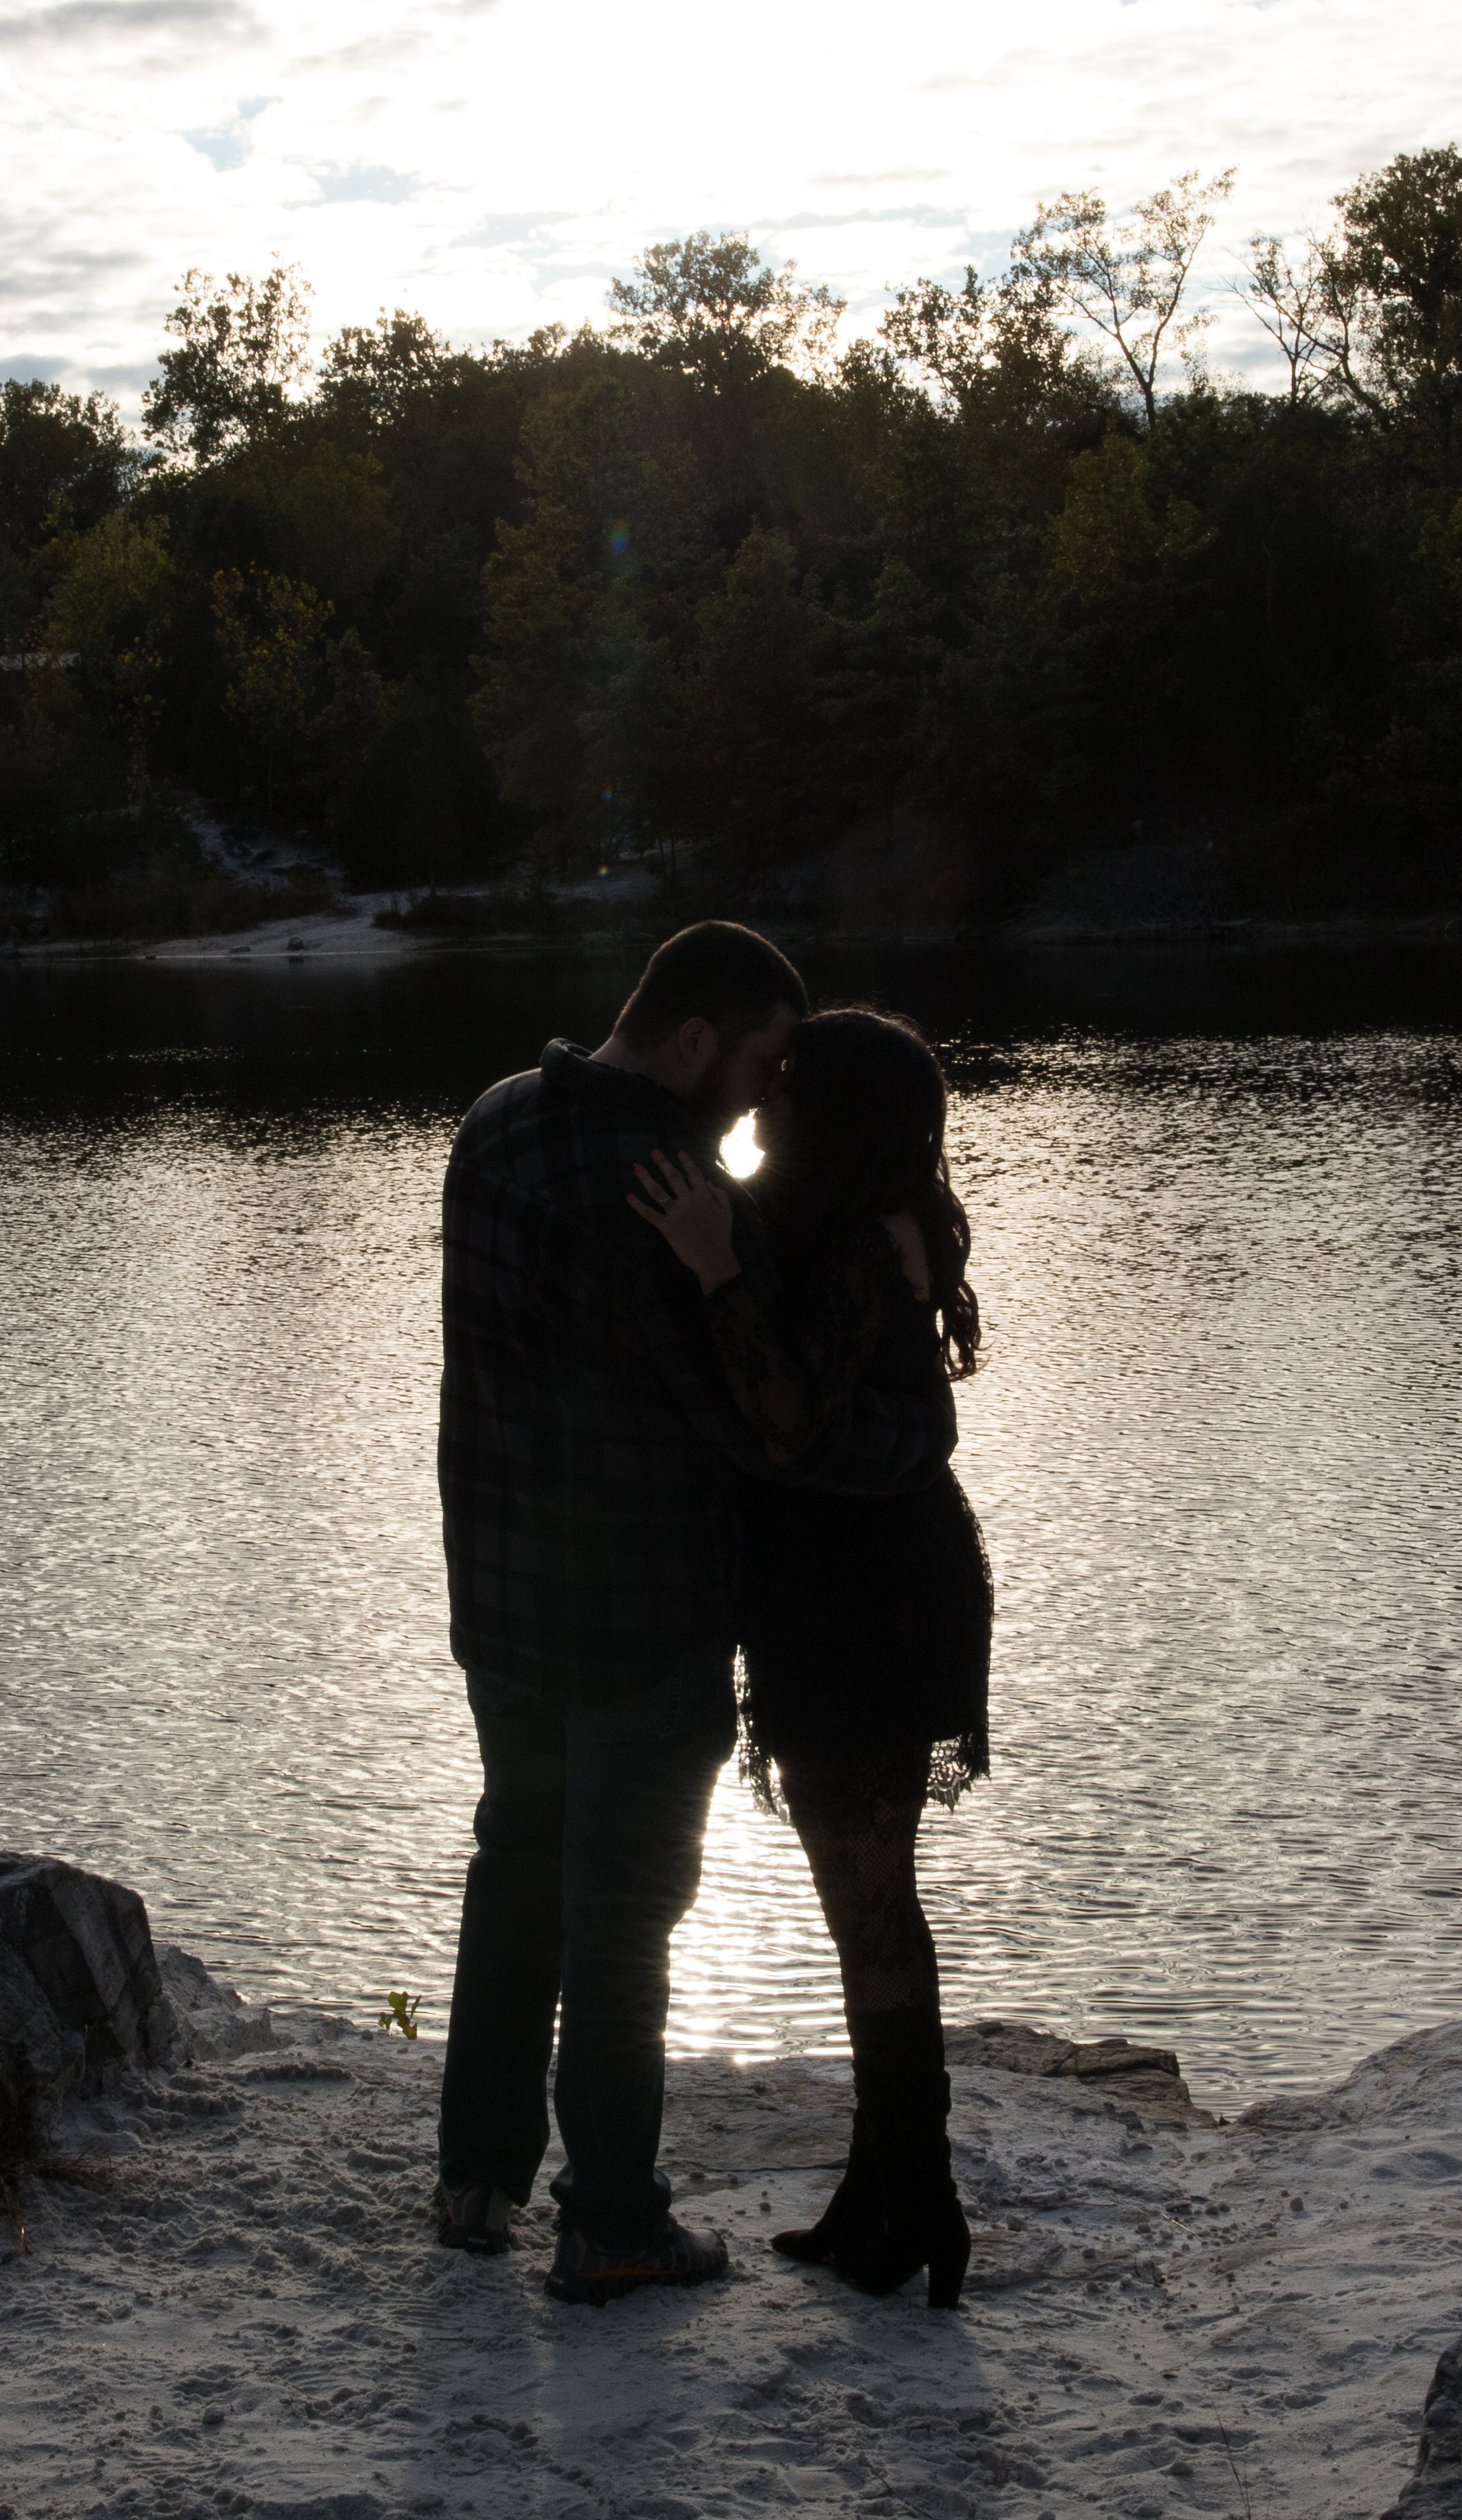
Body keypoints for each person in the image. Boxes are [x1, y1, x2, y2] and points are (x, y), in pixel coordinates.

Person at [433, 923, 961, 2305]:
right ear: (690, 1043)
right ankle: (611, 2218)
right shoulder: (660, 1187)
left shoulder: (492, 1122)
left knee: (514, 1873)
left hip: (498, 1605)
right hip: (641, 1616)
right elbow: (757, 1432)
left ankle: (476, 2177)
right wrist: (913, 1448)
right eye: (759, 1061)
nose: (758, 1095)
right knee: (621, 1917)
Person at [624, 1006, 990, 2308]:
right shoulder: (871, 1223)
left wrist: (716, 1266)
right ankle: (882, 2189)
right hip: (851, 1589)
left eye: (789, 1086)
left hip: (867, 1602)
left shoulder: (856, 1246)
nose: (764, 1102)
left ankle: (920, 2205)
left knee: (872, 1900)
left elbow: (781, 1413)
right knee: (866, 1900)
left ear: (832, 1112)